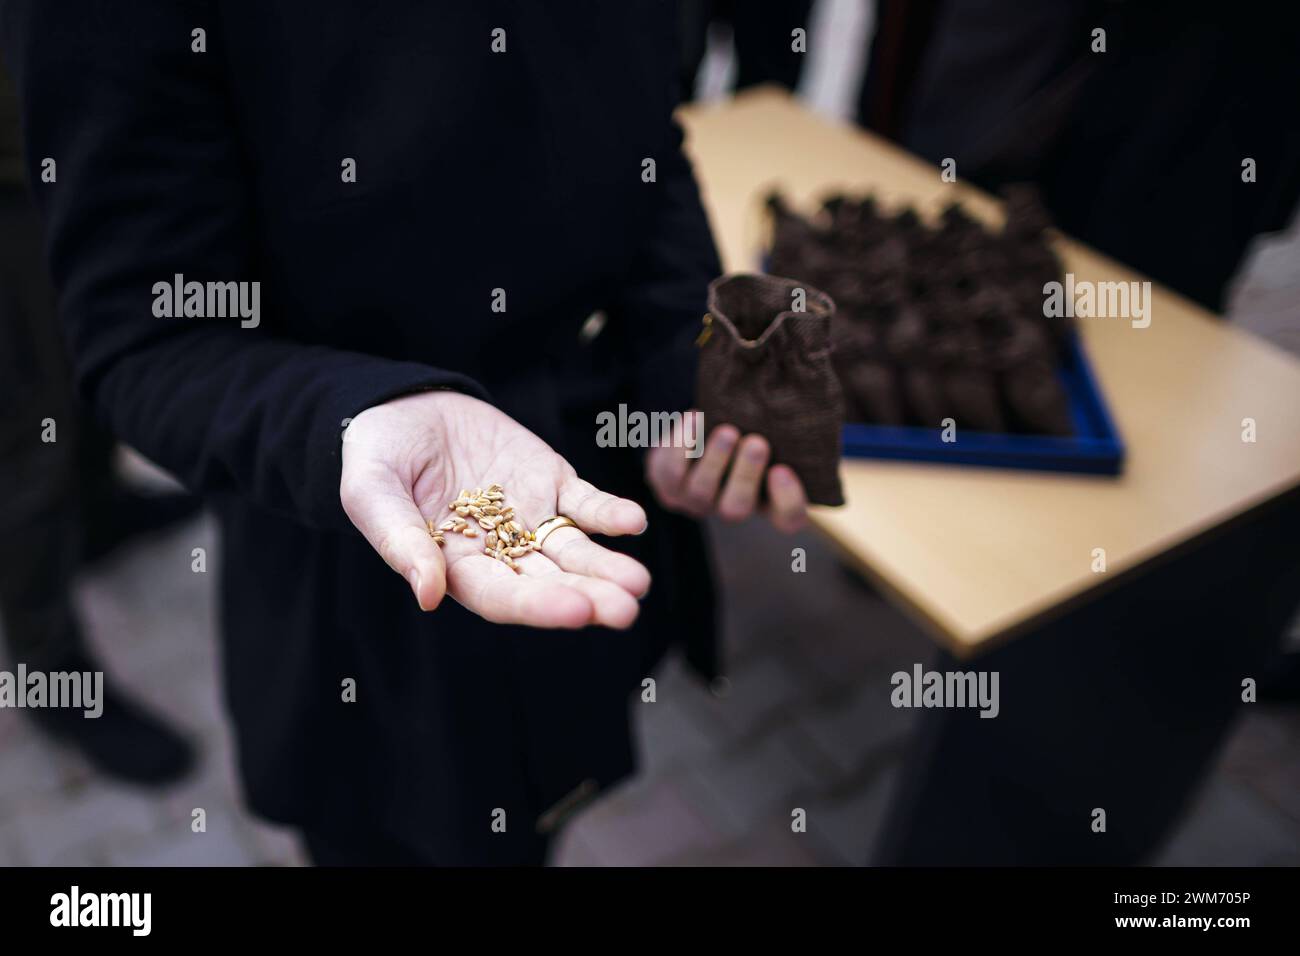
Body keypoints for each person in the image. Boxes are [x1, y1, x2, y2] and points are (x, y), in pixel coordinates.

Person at [0, 2, 808, 865]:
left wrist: (681, 361)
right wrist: (355, 418)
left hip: (574, 503)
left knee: (542, 818)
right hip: (363, 562)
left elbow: (650, 138)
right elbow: (147, 332)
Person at [0, 62, 196, 785]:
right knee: (23, 442)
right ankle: (49, 676)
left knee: (86, 362)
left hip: (68, 147)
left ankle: (96, 512)